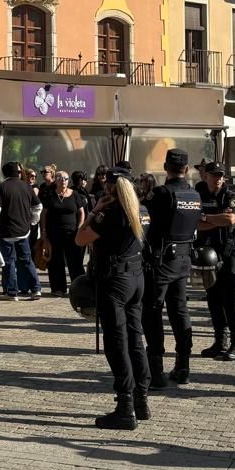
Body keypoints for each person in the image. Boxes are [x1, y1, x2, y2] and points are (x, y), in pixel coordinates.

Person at [78, 163, 151, 429]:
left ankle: (125, 407)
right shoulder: (142, 211)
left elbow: (80, 238)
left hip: (115, 281)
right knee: (135, 338)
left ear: (110, 187)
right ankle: (141, 399)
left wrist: (95, 209)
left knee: (116, 342)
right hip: (136, 277)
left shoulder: (109, 212)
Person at [141, 149, 202, 389]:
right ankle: (183, 365)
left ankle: (156, 370)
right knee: (179, 311)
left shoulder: (160, 194)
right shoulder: (194, 195)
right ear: (186, 169)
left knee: (153, 312)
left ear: (166, 167)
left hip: (161, 260)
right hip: (183, 258)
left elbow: (145, 222)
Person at [196, 161, 235, 360]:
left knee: (231, 301)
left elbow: (230, 220)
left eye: (221, 175)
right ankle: (220, 341)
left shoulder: (230, 196)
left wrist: (206, 218)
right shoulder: (200, 194)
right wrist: (214, 219)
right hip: (208, 254)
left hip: (228, 254)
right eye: (215, 175)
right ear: (206, 176)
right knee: (213, 299)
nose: (218, 179)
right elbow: (194, 223)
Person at [0, 161, 42, 301]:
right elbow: (38, 206)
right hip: (23, 230)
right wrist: (32, 221)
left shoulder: (1, 188)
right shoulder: (27, 187)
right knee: (27, 260)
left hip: (6, 231)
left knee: (9, 262)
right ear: (17, 173)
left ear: (5, 173)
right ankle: (36, 289)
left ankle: (12, 292)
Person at [43, 170, 85, 298]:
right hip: (54, 234)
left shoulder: (75, 194)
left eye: (66, 179)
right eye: (60, 178)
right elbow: (43, 214)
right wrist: (44, 232)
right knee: (55, 262)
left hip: (72, 234)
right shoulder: (50, 195)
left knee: (75, 262)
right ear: (56, 180)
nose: (64, 181)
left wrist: (79, 228)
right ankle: (58, 288)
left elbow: (81, 212)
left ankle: (80, 288)